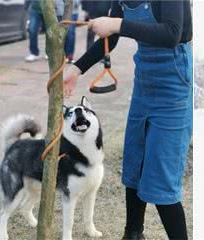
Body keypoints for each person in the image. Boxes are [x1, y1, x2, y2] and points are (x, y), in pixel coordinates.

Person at [63, 0, 193, 239]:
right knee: (135, 163)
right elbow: (111, 38)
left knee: (161, 176)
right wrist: (77, 69)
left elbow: (171, 33)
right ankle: (132, 234)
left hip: (174, 83)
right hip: (144, 81)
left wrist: (116, 23)